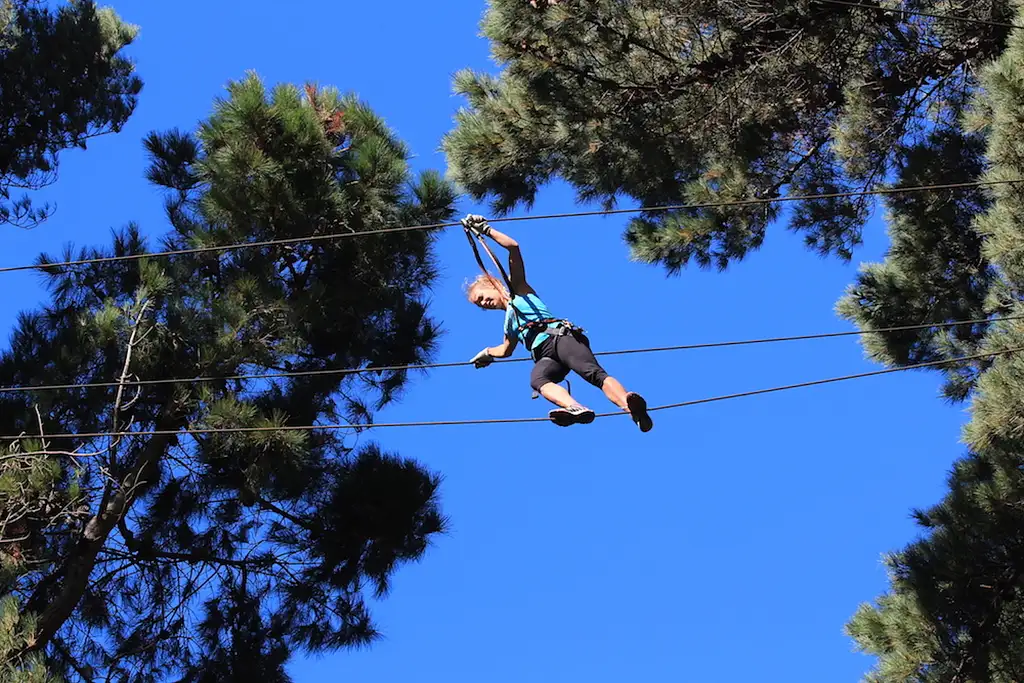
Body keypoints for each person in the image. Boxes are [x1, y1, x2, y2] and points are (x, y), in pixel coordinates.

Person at [462, 214, 653, 431]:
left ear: (492, 284)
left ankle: (631, 408)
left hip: (561, 338)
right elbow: (506, 349)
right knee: (538, 379)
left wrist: (486, 230)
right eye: (480, 305)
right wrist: (487, 353)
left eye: (482, 297)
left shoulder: (520, 291)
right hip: (545, 355)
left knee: (594, 374)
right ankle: (574, 408)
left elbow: (513, 248)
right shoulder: (509, 323)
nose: (484, 303)